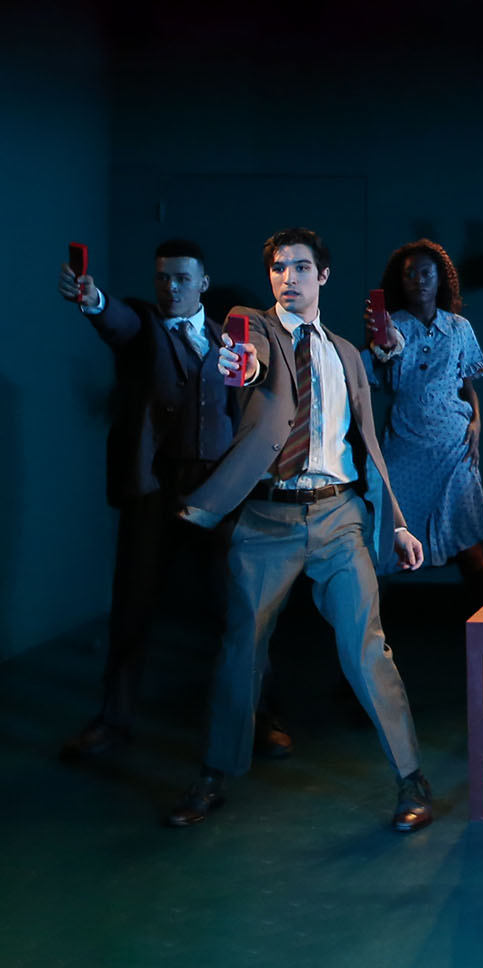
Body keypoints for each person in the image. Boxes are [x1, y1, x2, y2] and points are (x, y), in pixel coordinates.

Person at [167, 228, 435, 833]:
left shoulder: (346, 355)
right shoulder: (255, 327)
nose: (288, 278)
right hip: (268, 518)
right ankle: (213, 773)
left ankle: (410, 776)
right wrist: (240, 363)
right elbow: (246, 362)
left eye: (301, 267)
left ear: (323, 275)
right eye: (279, 268)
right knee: (242, 649)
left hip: (339, 516)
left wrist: (396, 522)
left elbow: (368, 444)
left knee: (367, 648)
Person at [56, 240, 291, 760]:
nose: (170, 288)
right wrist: (93, 299)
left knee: (240, 608)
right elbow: (116, 320)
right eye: (162, 278)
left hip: (216, 490)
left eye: (182, 278)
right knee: (133, 608)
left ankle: (261, 716)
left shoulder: (229, 337)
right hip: (156, 489)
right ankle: (113, 721)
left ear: (202, 283)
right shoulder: (145, 327)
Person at [362, 239, 483, 595]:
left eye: (426, 273)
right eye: (410, 274)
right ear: (400, 280)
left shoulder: (459, 327)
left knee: (470, 549)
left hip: (454, 446)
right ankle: (369, 626)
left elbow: (467, 385)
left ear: (440, 279)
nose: (418, 280)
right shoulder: (392, 326)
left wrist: (476, 423)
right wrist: (382, 343)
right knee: (386, 543)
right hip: (405, 442)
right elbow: (377, 367)